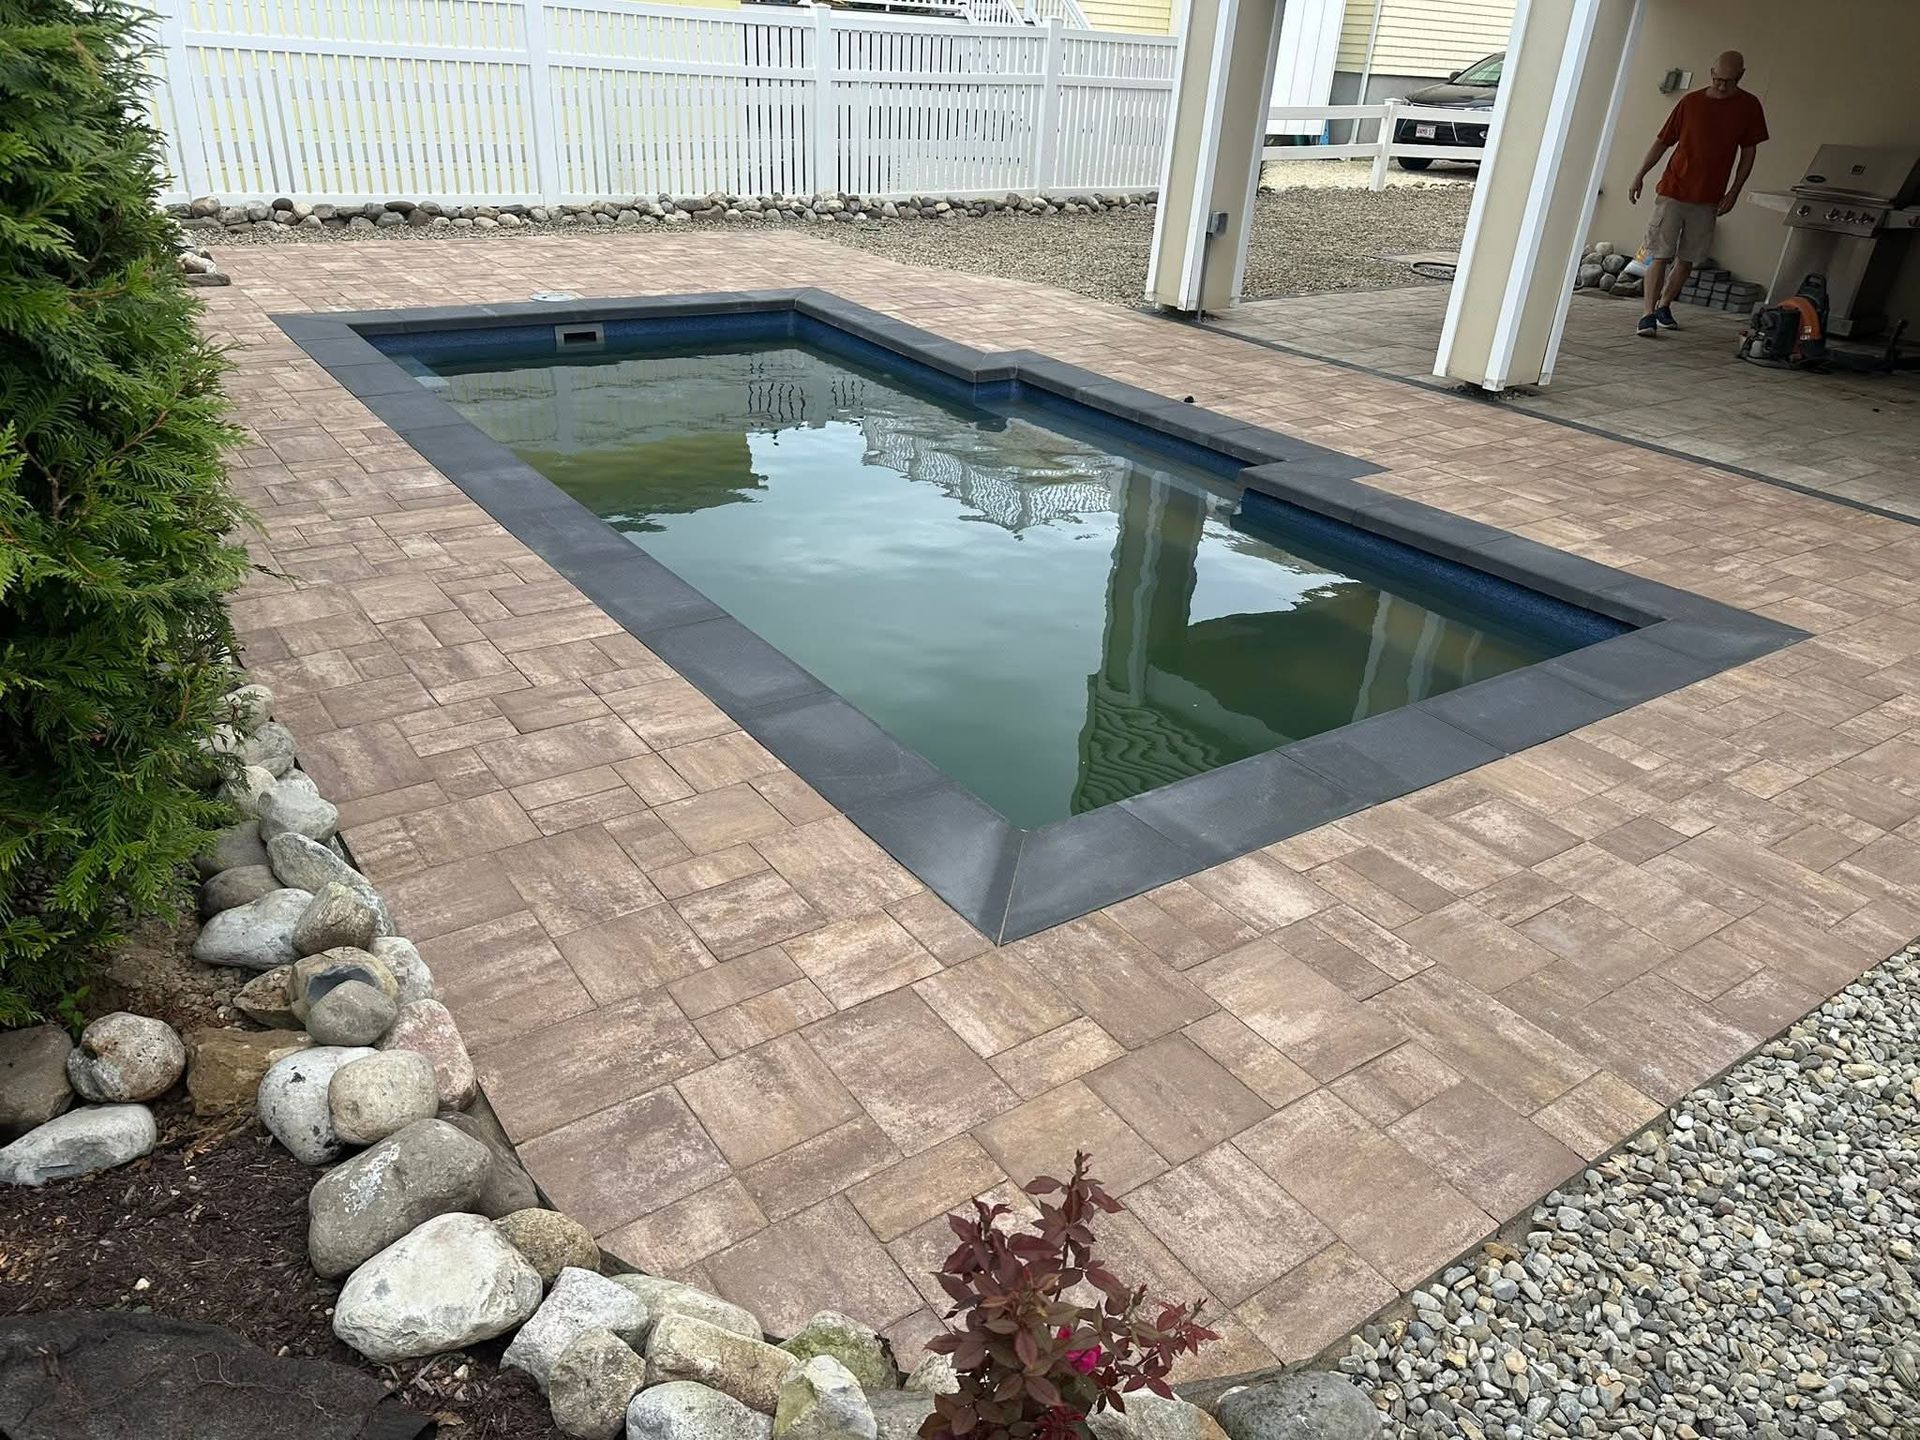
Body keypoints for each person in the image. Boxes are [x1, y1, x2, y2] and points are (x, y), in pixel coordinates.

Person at [1626, 51, 1768, 337]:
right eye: (1717, 79)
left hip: (1709, 196)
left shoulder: (1749, 106)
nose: (1722, 86)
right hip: (1674, 189)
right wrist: (1639, 174)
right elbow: (1663, 141)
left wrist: (1734, 191)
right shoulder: (1690, 102)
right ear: (1711, 72)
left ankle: (1665, 305)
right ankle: (1647, 314)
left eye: (1729, 81)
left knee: (1688, 257)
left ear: (1741, 76)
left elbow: (1749, 152)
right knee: (1660, 253)